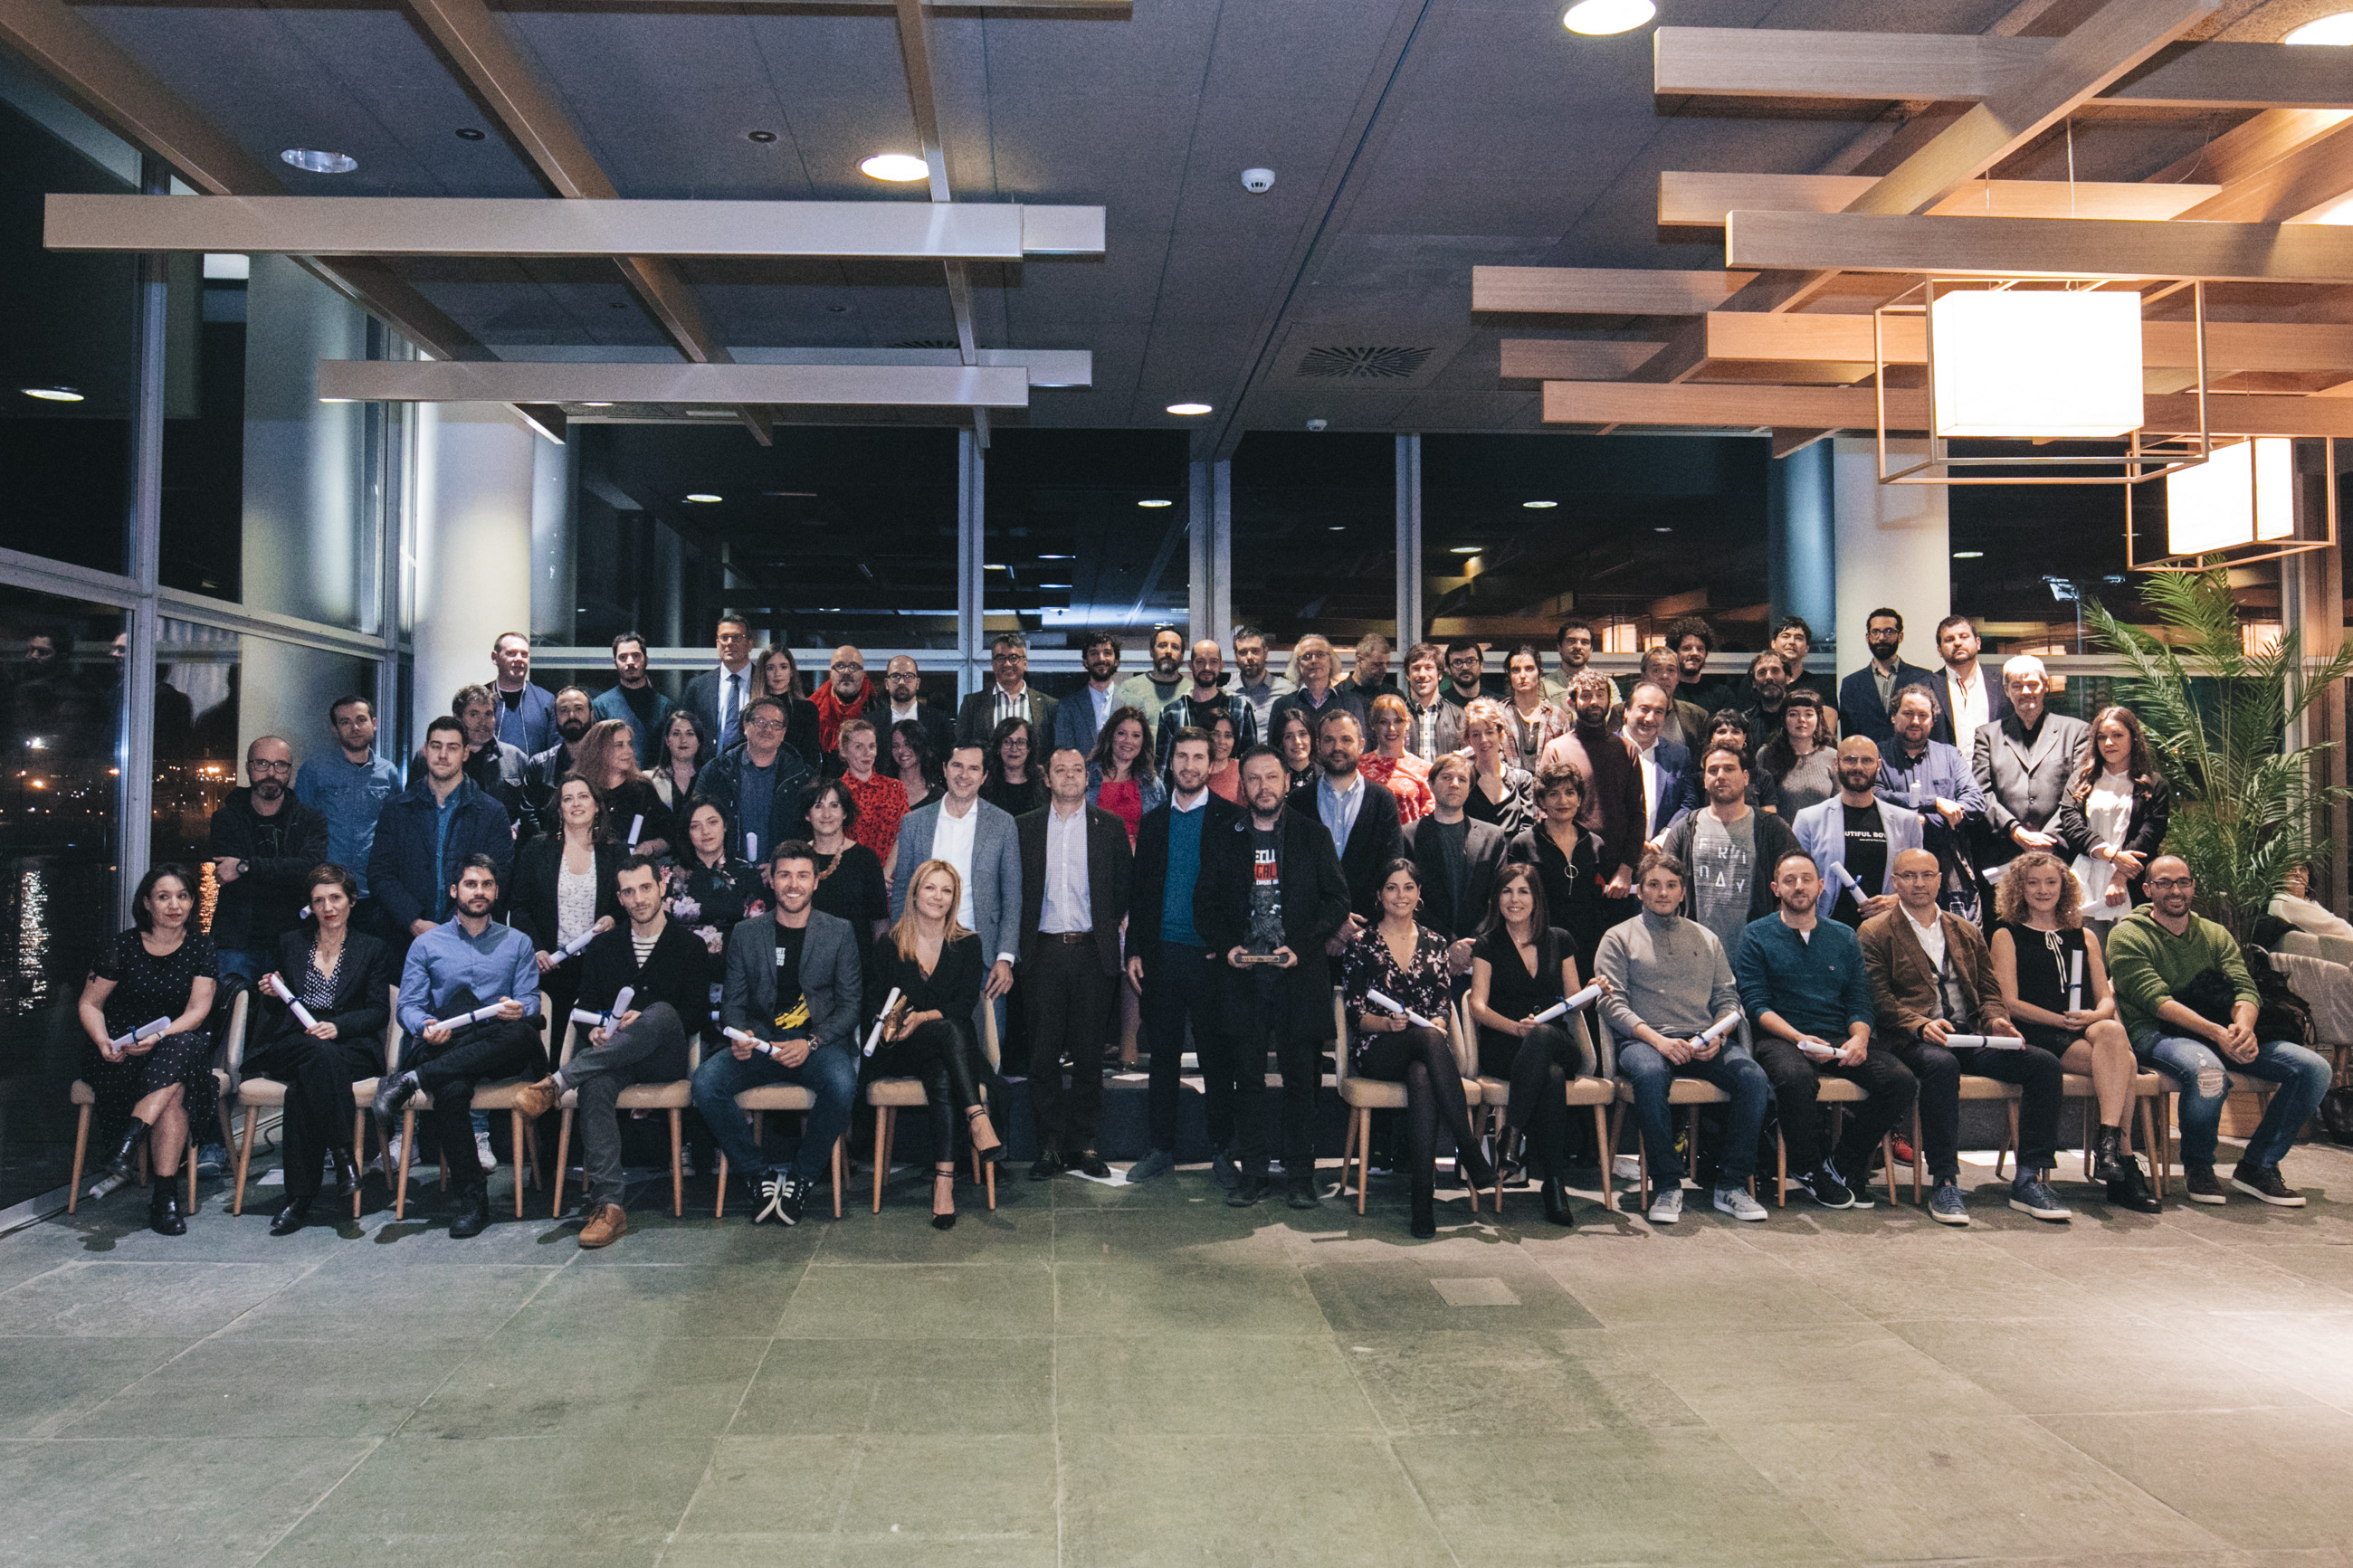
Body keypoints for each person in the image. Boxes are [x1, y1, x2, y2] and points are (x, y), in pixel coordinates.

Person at [2106, 854, 2332, 1206]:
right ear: (2148, 889)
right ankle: (2199, 1166)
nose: (2175, 891)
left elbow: (2245, 987)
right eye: (2164, 883)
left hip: (2222, 1033)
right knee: (2208, 1070)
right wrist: (2218, 1034)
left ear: (2193, 886)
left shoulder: (2213, 933)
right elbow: (2156, 1001)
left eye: (2182, 882)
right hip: (2157, 1033)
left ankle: (2258, 1166)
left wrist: (2243, 1029)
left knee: (2314, 1068)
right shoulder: (2127, 936)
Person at [1862, 848, 2069, 1226]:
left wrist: (1996, 1022)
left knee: (2043, 1064)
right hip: (1914, 1040)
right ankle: (1944, 1180)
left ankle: (2029, 1178)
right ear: (1894, 882)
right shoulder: (1875, 932)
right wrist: (1919, 1024)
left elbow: (1990, 992)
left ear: (1941, 879)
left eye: (1927, 875)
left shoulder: (1965, 929)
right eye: (1909, 876)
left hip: (1969, 1034)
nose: (1919, 883)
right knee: (1941, 1067)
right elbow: (1878, 999)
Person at [512, 853, 710, 1249]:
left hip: (663, 1058)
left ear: (662, 887)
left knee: (662, 1012)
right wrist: (601, 1029)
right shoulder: (605, 948)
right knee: (595, 1085)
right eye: (628, 891)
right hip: (613, 1055)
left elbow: (694, 1013)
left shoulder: (689, 946)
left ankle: (558, 1081)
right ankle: (609, 1207)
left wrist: (646, 1020)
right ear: (619, 898)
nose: (638, 898)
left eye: (645, 888)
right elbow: (584, 1007)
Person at [1197, 746, 1350, 1210]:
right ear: (1242, 785)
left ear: (1287, 782)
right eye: (1253, 779)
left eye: (1271, 777)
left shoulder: (1312, 836)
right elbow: (1204, 906)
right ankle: (1255, 1173)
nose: (1263, 787)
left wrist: (1301, 948)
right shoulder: (1224, 837)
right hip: (1244, 979)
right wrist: (1229, 949)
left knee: (1302, 1080)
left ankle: (1301, 1175)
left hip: (1297, 976)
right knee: (1248, 1080)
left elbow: (1337, 901)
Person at [691, 841, 862, 1225]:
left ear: (816, 881)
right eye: (784, 874)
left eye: (803, 875)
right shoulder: (747, 933)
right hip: (761, 1045)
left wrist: (812, 1042)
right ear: (771, 880)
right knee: (704, 1084)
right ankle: (759, 1176)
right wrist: (739, 1034)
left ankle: (801, 1178)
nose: (793, 884)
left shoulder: (839, 932)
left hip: (817, 1043)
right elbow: (732, 1003)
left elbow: (851, 1006)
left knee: (843, 1084)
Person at [373, 854, 544, 1238]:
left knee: (525, 1034)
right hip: (449, 1043)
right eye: (470, 884)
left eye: (486, 884)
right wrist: (425, 1025)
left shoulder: (518, 942)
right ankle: (473, 1197)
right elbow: (410, 1007)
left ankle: (413, 1078)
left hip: (501, 1044)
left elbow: (531, 1000)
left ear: (496, 891)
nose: (479, 891)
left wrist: (520, 1008)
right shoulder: (427, 944)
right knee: (451, 1090)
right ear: (454, 891)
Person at [1737, 851, 1917, 1210]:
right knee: (1796, 1078)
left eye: (1806, 879)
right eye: (1789, 880)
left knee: (1900, 1080)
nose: (1799, 886)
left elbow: (1859, 1000)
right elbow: (1756, 1005)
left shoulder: (1843, 935)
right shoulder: (1756, 935)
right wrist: (1798, 1038)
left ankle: (1844, 1164)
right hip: (1781, 1038)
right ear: (1776, 888)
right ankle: (1807, 1169)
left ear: (1821, 886)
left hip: (1838, 1037)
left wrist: (1860, 1038)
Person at [1596, 850, 1768, 1223]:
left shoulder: (1707, 939)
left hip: (1703, 1039)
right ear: (1639, 891)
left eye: (1671, 885)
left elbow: (1728, 999)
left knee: (1753, 1078)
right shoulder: (1618, 937)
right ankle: (1667, 1185)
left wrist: (1717, 1036)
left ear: (1682, 892)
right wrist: (1658, 1042)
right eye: (1654, 885)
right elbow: (1612, 1006)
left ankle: (1731, 1186)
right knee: (1651, 1074)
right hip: (1644, 1041)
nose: (1662, 893)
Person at [1989, 850, 2161, 1213]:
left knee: (2112, 1033)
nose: (2042, 890)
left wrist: (2091, 1016)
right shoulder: (2007, 933)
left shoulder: (2083, 935)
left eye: (2051, 882)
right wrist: (2061, 1020)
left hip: (2085, 1028)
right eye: (2032, 883)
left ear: (2064, 886)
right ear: (2018, 888)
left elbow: (2105, 1000)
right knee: (2125, 1063)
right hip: (2036, 1031)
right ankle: (2122, 1159)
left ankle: (2110, 1141)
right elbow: (2009, 1002)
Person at [1345, 858, 1494, 1236]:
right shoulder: (1361, 944)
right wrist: (1387, 1023)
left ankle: (1422, 1201)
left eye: (1408, 887)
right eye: (1392, 888)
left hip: (1424, 1049)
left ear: (1419, 894)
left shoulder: (1435, 943)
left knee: (1422, 1073)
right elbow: (1355, 1014)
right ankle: (1469, 1148)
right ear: (1379, 895)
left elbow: (1442, 1005)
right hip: (1377, 1047)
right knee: (1425, 1041)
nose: (1400, 895)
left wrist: (1441, 1021)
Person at [248, 864, 393, 1235]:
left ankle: (299, 1200)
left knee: (305, 1086)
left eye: (335, 898)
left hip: (349, 1045)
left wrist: (339, 1026)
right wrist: (271, 993)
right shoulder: (290, 943)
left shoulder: (372, 948)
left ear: (352, 901)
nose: (327, 907)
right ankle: (344, 1154)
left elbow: (378, 1011)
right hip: (294, 1042)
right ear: (310, 907)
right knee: (315, 1055)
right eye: (318, 901)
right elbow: (277, 1007)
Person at [76, 864, 220, 1233]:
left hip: (169, 1048)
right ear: (147, 903)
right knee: (178, 1078)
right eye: (163, 896)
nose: (175, 905)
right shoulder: (123, 946)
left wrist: (159, 1037)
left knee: (183, 1044)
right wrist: (103, 1041)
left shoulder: (201, 946)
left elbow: (198, 1011)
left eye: (183, 896)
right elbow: (90, 1004)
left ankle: (130, 1142)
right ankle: (164, 1197)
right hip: (120, 1055)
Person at [863, 860, 1003, 1229]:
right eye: (930, 888)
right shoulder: (890, 944)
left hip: (944, 1050)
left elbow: (963, 1005)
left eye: (946, 890)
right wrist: (900, 1022)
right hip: (899, 1048)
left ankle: (944, 1184)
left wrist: (923, 1017)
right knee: (953, 1033)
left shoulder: (968, 944)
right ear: (914, 892)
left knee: (944, 1062)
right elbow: (874, 1002)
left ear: (954, 898)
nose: (937, 897)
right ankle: (978, 1119)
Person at [1127, 727, 1239, 1183]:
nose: (1189, 766)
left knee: (1217, 1058)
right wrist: (1134, 948)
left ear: (1212, 765)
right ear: (1170, 763)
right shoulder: (1153, 822)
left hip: (1211, 959)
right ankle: (1160, 1148)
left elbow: (1239, 894)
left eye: (1199, 758)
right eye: (1182, 757)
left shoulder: (1232, 820)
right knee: (1164, 1058)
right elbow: (1140, 892)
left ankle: (1221, 1151)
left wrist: (1228, 944)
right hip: (1162, 956)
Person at [1018, 746, 1134, 1181]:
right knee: (1043, 1055)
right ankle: (1048, 1145)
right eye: (1059, 770)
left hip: (1092, 952)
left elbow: (1125, 888)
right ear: (1046, 778)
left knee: (1089, 1056)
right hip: (1042, 951)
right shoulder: (1024, 828)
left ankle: (1084, 1143)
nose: (1069, 776)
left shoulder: (1111, 828)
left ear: (1089, 778)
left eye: (1077, 769)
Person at [1466, 861, 1587, 1226]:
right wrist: (1514, 1029)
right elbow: (1477, 1006)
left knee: (1545, 1040)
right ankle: (1553, 1184)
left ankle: (1512, 1135)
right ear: (1496, 898)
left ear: (1536, 898)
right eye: (1506, 891)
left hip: (1556, 1038)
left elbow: (1575, 998)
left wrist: (1598, 990)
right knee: (1549, 1076)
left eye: (1523, 891)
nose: (1514, 899)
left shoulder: (1560, 939)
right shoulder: (1487, 944)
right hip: (1506, 1044)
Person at [890, 742, 1022, 1035]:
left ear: (985, 776)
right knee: (926, 1042)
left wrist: (1005, 957)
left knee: (987, 1045)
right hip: (922, 952)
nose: (965, 775)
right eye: (957, 766)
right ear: (944, 770)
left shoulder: (1003, 824)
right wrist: (900, 946)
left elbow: (1013, 898)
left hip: (983, 954)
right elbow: (902, 890)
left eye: (974, 768)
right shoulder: (914, 822)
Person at [367, 716, 515, 950]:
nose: (443, 755)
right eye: (436, 746)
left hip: (470, 939)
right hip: (405, 939)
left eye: (452, 747)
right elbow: (380, 873)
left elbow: (500, 876)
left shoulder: (491, 812)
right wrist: (414, 921)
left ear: (465, 753)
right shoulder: (397, 809)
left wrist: (453, 924)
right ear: (425, 750)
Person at [1654, 743, 1803, 968]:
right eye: (1713, 770)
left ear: (1745, 778)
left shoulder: (1771, 829)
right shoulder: (1685, 829)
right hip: (1695, 957)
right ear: (1704, 780)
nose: (1720, 776)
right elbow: (1663, 890)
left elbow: (1796, 887)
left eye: (1729, 769)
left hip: (1755, 958)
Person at [510, 773, 621, 1056]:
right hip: (551, 968)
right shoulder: (536, 849)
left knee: (595, 1050)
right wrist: (536, 949)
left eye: (583, 797)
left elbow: (625, 904)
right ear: (559, 810)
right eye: (567, 799)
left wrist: (614, 919)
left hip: (600, 969)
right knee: (551, 1049)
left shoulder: (616, 853)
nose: (576, 804)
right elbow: (519, 906)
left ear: (597, 806)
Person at [209, 735, 329, 989]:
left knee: (287, 1022)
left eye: (280, 765)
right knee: (232, 1018)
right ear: (248, 767)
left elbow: (309, 870)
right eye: (262, 764)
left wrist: (245, 866)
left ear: (290, 770)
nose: (271, 773)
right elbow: (231, 879)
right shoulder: (225, 819)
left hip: (294, 942)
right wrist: (287, 873)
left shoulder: (310, 819)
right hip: (237, 942)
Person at [1972, 653, 2091, 885]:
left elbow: (2080, 792)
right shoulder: (1987, 735)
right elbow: (1981, 793)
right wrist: (2016, 831)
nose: (2026, 692)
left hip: (2060, 853)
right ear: (2006, 690)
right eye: (2017, 686)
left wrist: (2046, 840)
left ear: (2045, 686)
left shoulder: (2076, 732)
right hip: (2004, 854)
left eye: (2033, 684)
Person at [2056, 705, 2169, 946]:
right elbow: (2071, 823)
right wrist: (2112, 855)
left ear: (2133, 738)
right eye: (2102, 737)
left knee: (2130, 955)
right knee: (2087, 959)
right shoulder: (2080, 780)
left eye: (2117, 735)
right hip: (2085, 880)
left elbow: (2151, 832)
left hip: (2133, 883)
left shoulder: (2153, 783)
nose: (2109, 743)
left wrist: (2120, 877)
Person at [1876, 683, 1987, 922]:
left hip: (1947, 866)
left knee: (1956, 941)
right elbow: (1876, 795)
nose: (1915, 720)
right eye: (1908, 713)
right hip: (1892, 866)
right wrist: (1935, 803)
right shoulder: (1877, 756)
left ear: (1932, 721)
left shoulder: (1950, 755)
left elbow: (1975, 802)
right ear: (1894, 717)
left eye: (1922, 715)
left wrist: (1926, 820)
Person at [295, 695, 404, 930]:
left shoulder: (389, 774)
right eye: (345, 722)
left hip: (373, 892)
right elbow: (298, 829)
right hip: (326, 892)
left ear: (374, 724)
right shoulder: (314, 770)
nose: (354, 728)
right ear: (335, 730)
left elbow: (396, 832)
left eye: (361, 720)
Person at [1537, 671, 1644, 904]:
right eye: (1586, 696)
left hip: (1618, 877)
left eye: (1600, 695)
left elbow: (1637, 816)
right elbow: (1544, 814)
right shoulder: (1556, 750)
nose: (1594, 701)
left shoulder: (1627, 751)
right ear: (1571, 702)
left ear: (1609, 700)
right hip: (1570, 870)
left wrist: (1626, 870)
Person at [1793, 736, 1923, 928]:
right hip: (1827, 931)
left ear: (1878, 766)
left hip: (1887, 933)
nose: (1858, 767)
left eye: (1867, 760)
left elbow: (1920, 880)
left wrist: (1897, 900)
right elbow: (1796, 881)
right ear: (1836, 763)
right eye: (1850, 759)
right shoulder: (1809, 819)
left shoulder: (1906, 822)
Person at [1506, 763, 1608, 982]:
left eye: (1570, 793)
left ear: (1579, 799)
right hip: (1538, 941)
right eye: (1553, 794)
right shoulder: (1522, 844)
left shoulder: (1596, 844)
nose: (1563, 801)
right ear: (1541, 801)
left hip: (1587, 944)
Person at [1405, 753, 1508, 970]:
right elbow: (1407, 900)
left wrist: (1471, 945)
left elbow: (1498, 898)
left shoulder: (1493, 836)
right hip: (1424, 953)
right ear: (1431, 784)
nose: (1454, 784)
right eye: (1446, 777)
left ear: (1470, 789)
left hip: (1479, 954)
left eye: (1462, 779)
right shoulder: (1407, 836)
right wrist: (1449, 944)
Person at [1311, 709, 1404, 946]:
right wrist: (1332, 923)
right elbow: (1295, 877)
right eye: (1328, 740)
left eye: (1346, 739)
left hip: (1371, 934)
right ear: (1318, 746)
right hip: (1314, 938)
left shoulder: (1383, 800)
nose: (1337, 747)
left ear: (1361, 745)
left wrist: (1358, 928)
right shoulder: (1299, 802)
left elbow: (1390, 870)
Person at [693, 696, 813, 865]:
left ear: (783, 733)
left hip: (781, 873)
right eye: (760, 722)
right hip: (727, 871)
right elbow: (694, 820)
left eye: (775, 724)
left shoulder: (801, 777)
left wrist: (781, 865)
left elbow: (809, 831)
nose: (767, 729)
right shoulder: (716, 771)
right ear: (745, 726)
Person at [1837, 607, 1938, 749]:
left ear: (1900, 637)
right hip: (1867, 763)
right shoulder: (1851, 683)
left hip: (1912, 760)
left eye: (1889, 631)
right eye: (1875, 632)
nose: (1882, 638)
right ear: (1868, 637)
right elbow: (1849, 735)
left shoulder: (1923, 677)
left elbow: (1929, 727)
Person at [575, 717, 674, 860]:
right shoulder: (581, 790)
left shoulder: (642, 789)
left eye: (629, 744)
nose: (629, 751)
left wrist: (648, 848)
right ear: (599, 750)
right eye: (619, 745)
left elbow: (670, 834)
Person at [805, 776, 890, 944]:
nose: (827, 814)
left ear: (845, 812)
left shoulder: (866, 859)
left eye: (834, 805)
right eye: (818, 806)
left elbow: (880, 921)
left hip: (857, 962)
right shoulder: (798, 858)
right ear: (808, 815)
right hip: (807, 963)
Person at [1156, 638, 1257, 772]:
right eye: (1200, 662)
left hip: (1230, 791)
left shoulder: (1241, 709)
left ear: (1221, 665)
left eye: (1213, 662)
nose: (1207, 667)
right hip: (1185, 790)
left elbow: (1251, 763)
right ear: (1190, 665)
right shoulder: (1171, 713)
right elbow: (1162, 769)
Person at [443, 682, 533, 829]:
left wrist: (516, 828)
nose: (483, 722)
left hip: (500, 846)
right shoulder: (436, 759)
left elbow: (530, 811)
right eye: (474, 714)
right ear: (457, 717)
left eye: (488, 714)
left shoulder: (516, 759)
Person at [1621, 681, 1700, 843]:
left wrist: (1664, 839)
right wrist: (1634, 846)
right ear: (1627, 711)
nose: (1650, 718)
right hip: (1616, 856)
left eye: (1659, 712)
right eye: (1644, 709)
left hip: (1661, 854)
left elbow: (1688, 803)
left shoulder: (1678, 755)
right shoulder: (1606, 750)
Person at [957, 632, 1057, 746]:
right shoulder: (972, 704)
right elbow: (961, 746)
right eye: (1000, 658)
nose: (1007, 664)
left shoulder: (1049, 705)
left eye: (1014, 658)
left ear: (1025, 663)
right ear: (993, 664)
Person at [590, 632, 675, 768]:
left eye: (636, 656)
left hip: (655, 783)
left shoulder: (665, 707)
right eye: (623, 657)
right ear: (615, 663)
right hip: (614, 784)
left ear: (646, 661)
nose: (630, 662)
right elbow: (597, 754)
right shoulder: (601, 706)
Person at [730, 646, 823, 769]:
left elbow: (811, 758)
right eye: (770, 668)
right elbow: (744, 754)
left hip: (796, 780)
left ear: (791, 672)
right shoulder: (749, 711)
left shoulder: (807, 709)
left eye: (783, 667)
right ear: (763, 673)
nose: (777, 673)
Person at [1931, 613, 2011, 753]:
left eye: (1964, 637)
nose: (1957, 643)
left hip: (1993, 771)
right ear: (1939, 650)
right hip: (1946, 772)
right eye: (1949, 639)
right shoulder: (1927, 687)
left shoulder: (2002, 683)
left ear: (1978, 643)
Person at [1086, 706, 1165, 843]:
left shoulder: (1153, 784)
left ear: (1143, 741)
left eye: (1136, 735)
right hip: (1094, 858)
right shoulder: (1087, 775)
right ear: (1111, 736)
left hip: (1136, 860)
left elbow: (1161, 834)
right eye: (1122, 733)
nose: (1128, 741)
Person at [680, 615, 757, 756]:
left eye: (737, 637)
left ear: (750, 644)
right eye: (724, 637)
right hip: (710, 770)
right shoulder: (698, 686)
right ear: (717, 643)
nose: (729, 643)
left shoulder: (764, 681)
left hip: (757, 770)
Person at [523, 686, 597, 828]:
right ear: (555, 717)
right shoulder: (540, 764)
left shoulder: (606, 762)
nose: (572, 716)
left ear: (592, 715)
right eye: (564, 710)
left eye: (579, 708)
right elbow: (529, 815)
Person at [1756, 689, 1835, 818]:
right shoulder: (1766, 754)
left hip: (1821, 836)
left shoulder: (1833, 757)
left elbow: (1840, 807)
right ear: (1784, 721)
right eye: (1793, 714)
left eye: (1809, 714)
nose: (1801, 719)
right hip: (1781, 835)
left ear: (1818, 719)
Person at [1462, 698, 1535, 836]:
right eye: (1476, 735)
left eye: (1489, 732)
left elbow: (1528, 828)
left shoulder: (1522, 780)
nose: (1483, 740)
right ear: (1468, 740)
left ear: (1501, 735)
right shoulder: (1463, 780)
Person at [1360, 694, 1435, 825]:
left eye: (1398, 721)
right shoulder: (1359, 766)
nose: (1391, 728)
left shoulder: (1424, 769)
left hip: (1408, 843)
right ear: (1373, 725)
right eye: (1383, 722)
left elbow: (1430, 820)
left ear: (1407, 723)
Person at [1269, 632, 1357, 737]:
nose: (1314, 660)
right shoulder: (1282, 706)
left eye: (1320, 655)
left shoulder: (1351, 703)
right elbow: (1275, 751)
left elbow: (1358, 749)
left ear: (1331, 661)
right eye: (1306, 656)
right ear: (1297, 665)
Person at [878, 654, 954, 773]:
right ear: (887, 684)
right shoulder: (871, 722)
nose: (902, 682)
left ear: (918, 683)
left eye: (908, 676)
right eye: (895, 676)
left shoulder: (939, 721)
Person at [1053, 632, 1124, 757]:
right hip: (1082, 776)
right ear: (1085, 662)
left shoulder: (1133, 703)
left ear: (1117, 661)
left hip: (1124, 776)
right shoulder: (1068, 706)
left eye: (1107, 653)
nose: (1101, 658)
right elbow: (1064, 752)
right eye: (1094, 653)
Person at [1115, 624, 1187, 742]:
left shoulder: (1191, 691)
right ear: (1151, 652)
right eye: (1162, 646)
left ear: (1182, 656)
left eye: (1175, 647)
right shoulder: (1129, 688)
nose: (1168, 651)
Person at [1500, 645, 1567, 771]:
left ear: (1539, 672)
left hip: (1548, 788)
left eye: (1529, 669)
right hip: (1508, 787)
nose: (1522, 675)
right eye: (1516, 670)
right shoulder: (1498, 714)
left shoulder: (1556, 716)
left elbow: (1564, 764)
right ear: (1509, 674)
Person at [490, 631, 557, 755]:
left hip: (534, 775)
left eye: (524, 654)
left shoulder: (546, 701)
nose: (519, 659)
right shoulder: (479, 699)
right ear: (495, 658)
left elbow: (554, 751)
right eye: (511, 653)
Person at [1399, 642, 1466, 763]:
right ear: (1407, 675)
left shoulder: (1459, 716)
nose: (1422, 675)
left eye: (1428, 668)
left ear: (1440, 674)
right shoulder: (1396, 715)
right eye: (1416, 668)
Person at [1640, 646, 1711, 754]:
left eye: (1671, 670)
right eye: (1656, 670)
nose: (1664, 676)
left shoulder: (1697, 716)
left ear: (1678, 677)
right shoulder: (1622, 711)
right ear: (1643, 676)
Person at [813, 645, 878, 758]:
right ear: (830, 673)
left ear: (863, 674)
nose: (846, 672)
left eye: (853, 666)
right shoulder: (812, 710)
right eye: (840, 666)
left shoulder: (878, 710)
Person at [1229, 625, 1291, 736]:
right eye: (1243, 652)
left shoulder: (1287, 692)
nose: (1249, 657)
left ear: (1266, 653)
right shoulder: (1227, 695)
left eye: (1255, 651)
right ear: (1235, 656)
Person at [981, 715, 1047, 819]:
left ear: (1029, 748)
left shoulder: (1043, 784)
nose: (1014, 748)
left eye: (1021, 742)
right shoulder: (984, 784)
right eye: (1007, 742)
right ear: (998, 747)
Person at [1544, 617, 1617, 708]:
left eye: (1584, 642)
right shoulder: (1543, 686)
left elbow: (1615, 718)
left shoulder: (1606, 684)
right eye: (1571, 641)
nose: (1578, 647)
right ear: (1559, 647)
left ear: (1591, 649)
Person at [1666, 615, 1732, 715]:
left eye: (1700, 649)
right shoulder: (1665, 691)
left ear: (1706, 654)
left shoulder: (1722, 694)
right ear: (1675, 652)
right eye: (1687, 648)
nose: (1694, 653)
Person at [648, 708, 710, 813]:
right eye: (676, 734)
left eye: (690, 734)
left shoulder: (710, 780)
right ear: (667, 740)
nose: (683, 740)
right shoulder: (650, 780)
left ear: (699, 741)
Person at [1734, 651, 1795, 752]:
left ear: (1788, 678)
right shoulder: (1743, 722)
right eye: (1762, 673)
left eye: (1775, 671)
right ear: (1754, 683)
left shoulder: (1801, 719)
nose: (1769, 677)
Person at [1768, 616, 1835, 706]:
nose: (1792, 642)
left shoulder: (1823, 686)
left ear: (1806, 648)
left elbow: (1829, 719)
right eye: (1785, 636)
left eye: (1799, 638)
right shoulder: (1758, 683)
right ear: (1773, 644)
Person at [891, 719, 944, 813]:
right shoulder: (882, 789)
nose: (901, 751)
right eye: (896, 746)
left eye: (907, 744)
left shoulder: (937, 795)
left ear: (921, 746)